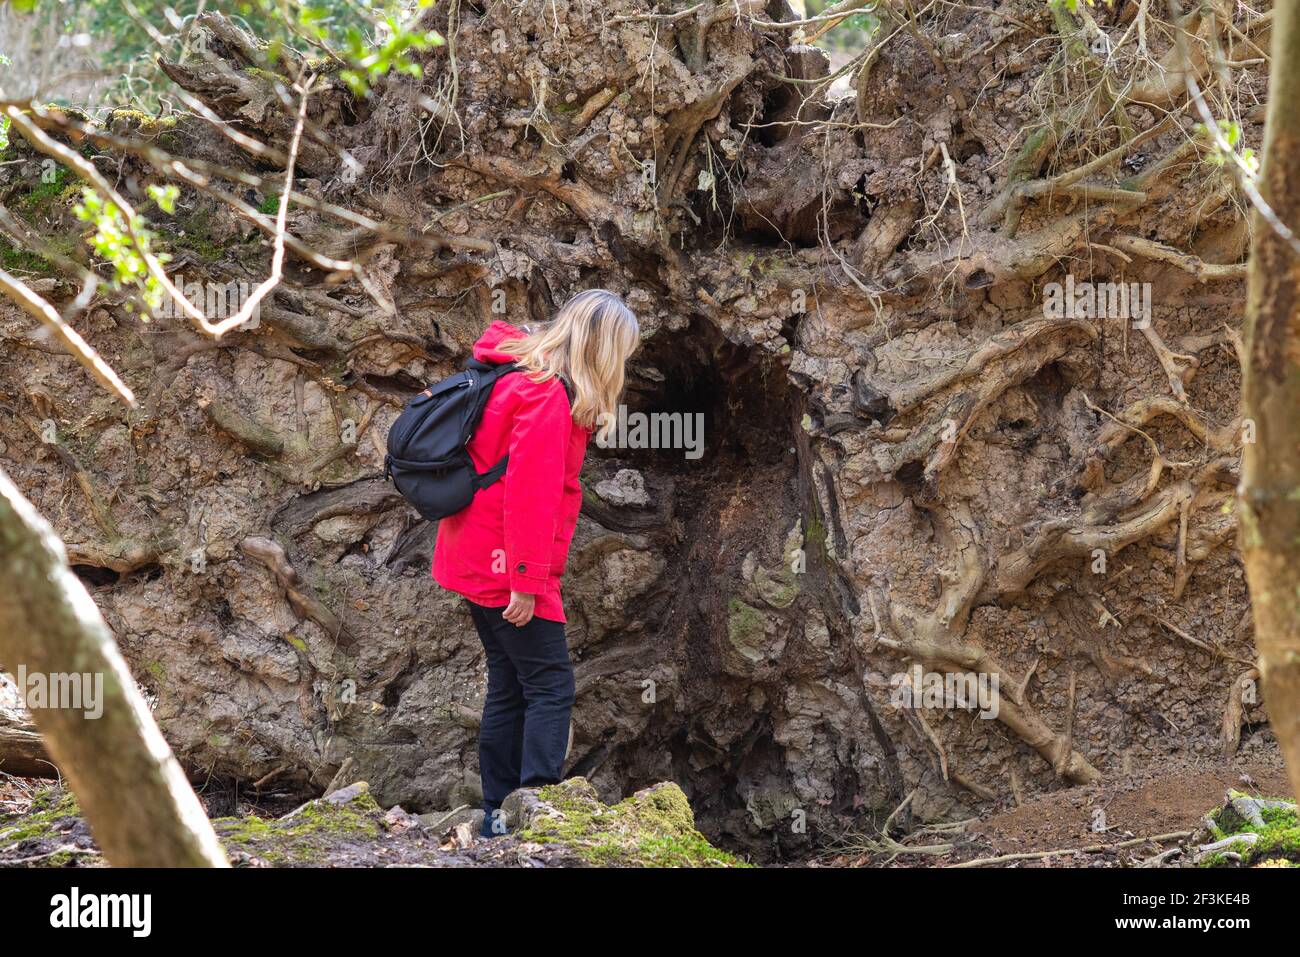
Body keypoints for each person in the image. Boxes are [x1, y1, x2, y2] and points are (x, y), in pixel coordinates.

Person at [432, 289, 639, 838]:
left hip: (472, 552)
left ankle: (502, 812)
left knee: (508, 682)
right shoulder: (549, 397)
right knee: (550, 686)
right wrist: (524, 583)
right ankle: (536, 811)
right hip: (507, 565)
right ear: (602, 348)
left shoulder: (517, 371)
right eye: (622, 352)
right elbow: (529, 495)